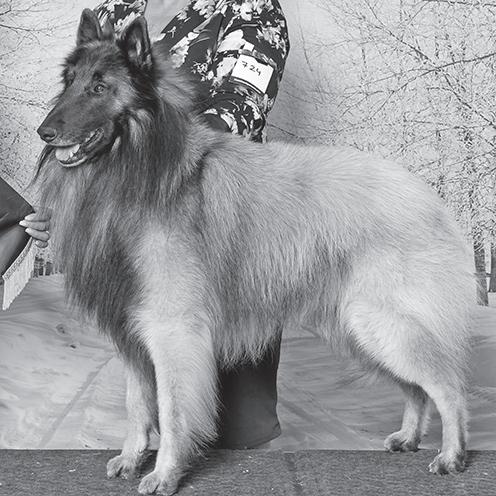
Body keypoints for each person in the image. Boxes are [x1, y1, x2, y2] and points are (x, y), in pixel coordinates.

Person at [22, 0, 290, 449]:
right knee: (167, 402)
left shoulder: (250, 10)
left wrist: (150, 169)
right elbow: (82, 113)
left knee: (243, 433)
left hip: (222, 225)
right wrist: (62, 210)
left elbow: (242, 108)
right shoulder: (114, 11)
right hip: (137, 236)